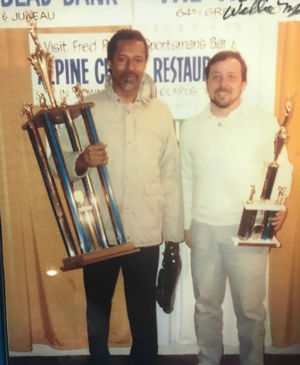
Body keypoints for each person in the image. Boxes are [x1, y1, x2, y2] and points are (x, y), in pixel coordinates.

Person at [60, 29, 183, 365]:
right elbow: (61, 160)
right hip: (99, 231)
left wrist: (173, 237)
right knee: (97, 309)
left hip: (144, 232)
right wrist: (81, 161)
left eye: (138, 59)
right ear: (110, 62)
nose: (131, 66)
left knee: (143, 311)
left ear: (146, 63)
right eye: (122, 58)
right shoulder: (87, 109)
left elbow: (171, 177)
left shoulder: (161, 113)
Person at [180, 51, 293, 365]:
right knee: (205, 306)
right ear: (206, 82)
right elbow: (186, 177)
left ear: (244, 83)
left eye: (231, 76)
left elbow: (281, 167)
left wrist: (277, 206)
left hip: (249, 231)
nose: (222, 83)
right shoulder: (190, 127)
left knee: (251, 311)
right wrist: (187, 224)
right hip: (202, 229)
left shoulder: (263, 122)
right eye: (215, 75)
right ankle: (207, 360)